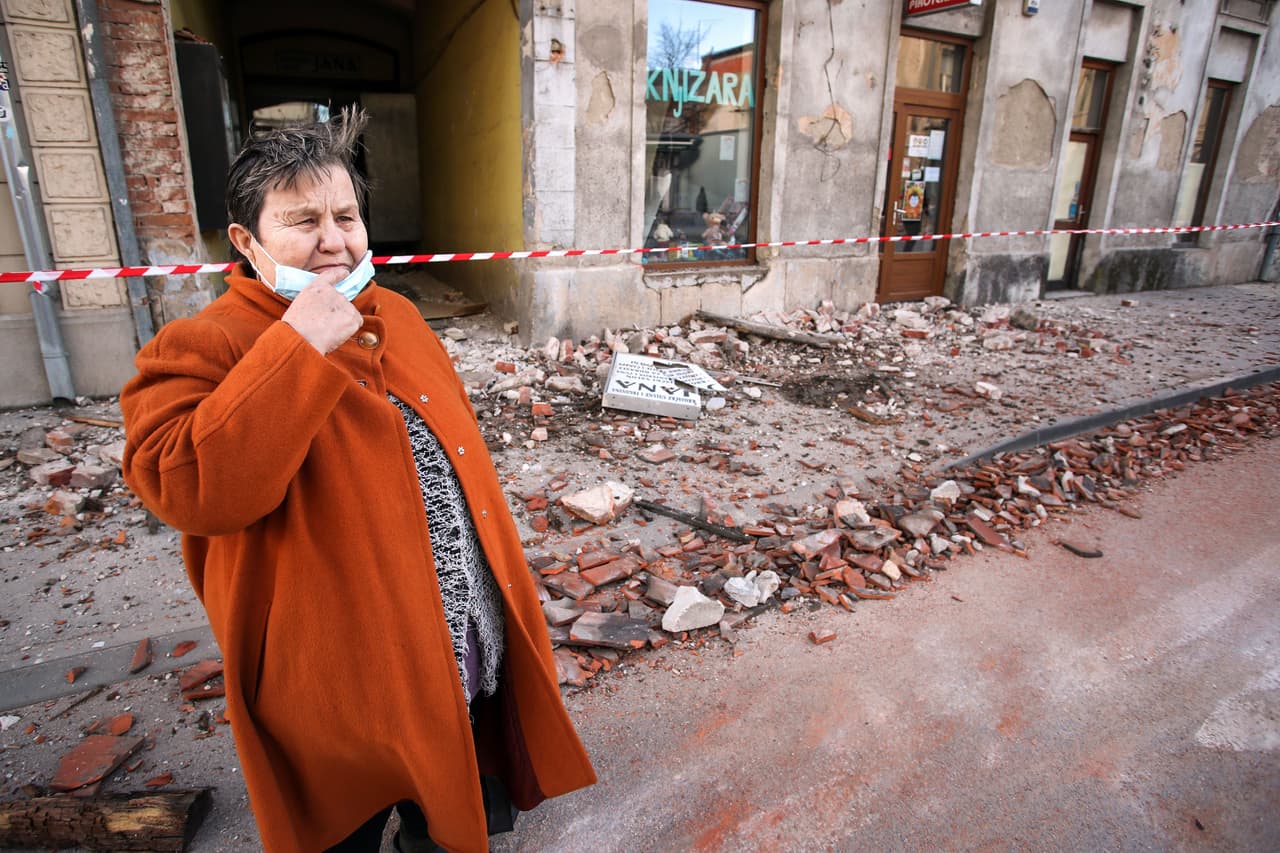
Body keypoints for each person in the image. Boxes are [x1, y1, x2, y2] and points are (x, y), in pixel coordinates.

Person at [120, 107, 595, 852]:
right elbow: (189, 492)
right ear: (245, 241)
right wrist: (298, 345)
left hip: (459, 646)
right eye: (302, 221)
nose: (334, 241)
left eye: (346, 216)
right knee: (344, 825)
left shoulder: (398, 313)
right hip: (336, 695)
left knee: (448, 816)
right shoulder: (202, 344)